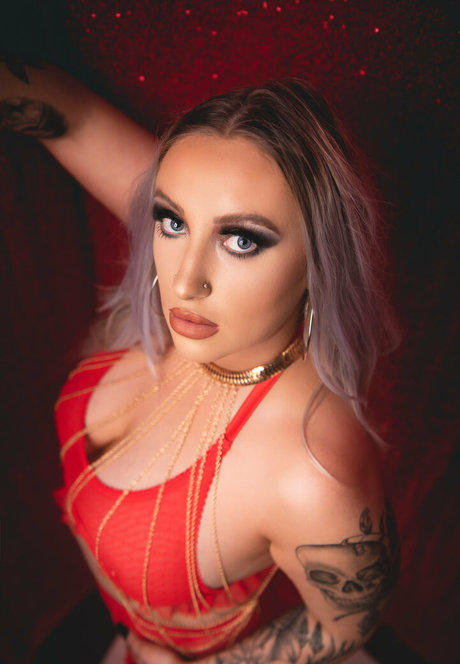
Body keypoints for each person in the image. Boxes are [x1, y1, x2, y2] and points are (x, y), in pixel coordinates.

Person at [1, 57, 399, 664]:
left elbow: (344, 627)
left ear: (320, 259)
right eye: (170, 220)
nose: (185, 283)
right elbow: (69, 116)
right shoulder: (201, 283)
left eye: (241, 240)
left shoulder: (313, 474)